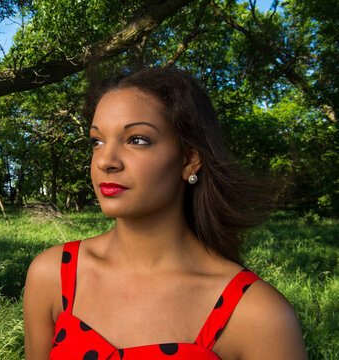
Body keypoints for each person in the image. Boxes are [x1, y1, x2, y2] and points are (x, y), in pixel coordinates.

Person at [23, 67, 307, 360]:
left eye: (137, 140)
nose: (106, 161)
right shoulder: (53, 275)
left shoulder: (258, 314)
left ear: (189, 160)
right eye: (97, 141)